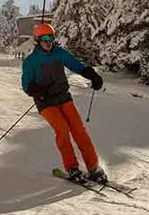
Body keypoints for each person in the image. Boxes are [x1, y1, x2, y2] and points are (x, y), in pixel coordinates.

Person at [21, 23, 107, 184]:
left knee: (79, 130)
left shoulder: (59, 53)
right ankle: (72, 167)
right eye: (44, 39)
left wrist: (93, 76)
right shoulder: (31, 61)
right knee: (62, 129)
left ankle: (93, 167)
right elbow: (26, 84)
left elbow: (77, 66)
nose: (48, 42)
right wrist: (37, 91)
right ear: (37, 40)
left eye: (51, 38)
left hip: (63, 97)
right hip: (46, 102)